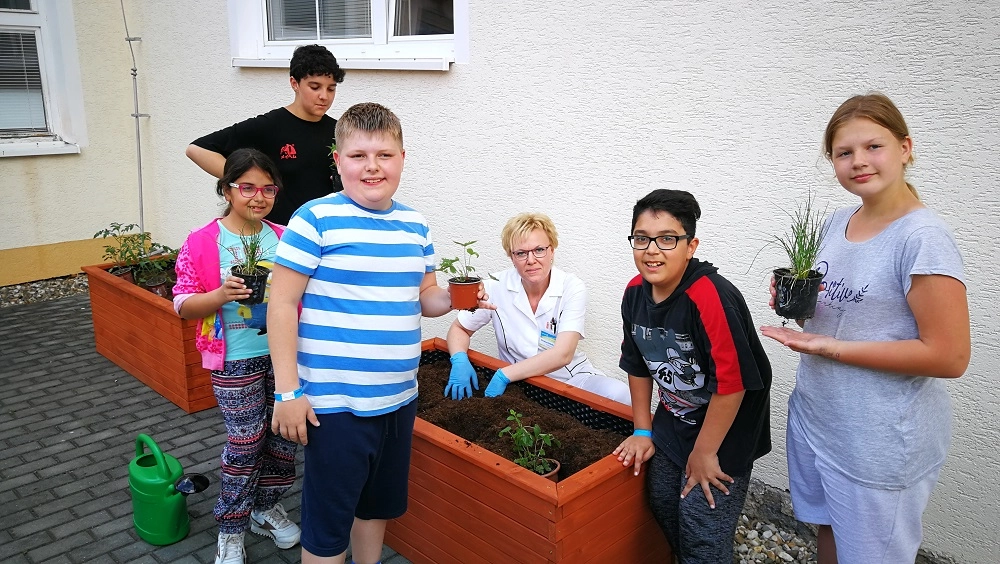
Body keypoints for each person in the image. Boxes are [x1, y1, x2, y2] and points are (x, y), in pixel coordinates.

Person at [266, 102, 490, 564]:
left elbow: (424, 298)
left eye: (384, 155)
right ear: (338, 160)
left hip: (399, 399)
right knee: (328, 529)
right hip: (336, 405)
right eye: (359, 156)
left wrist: (455, 298)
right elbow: (282, 304)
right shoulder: (314, 218)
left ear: (402, 158)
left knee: (375, 509)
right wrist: (287, 392)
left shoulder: (415, 225)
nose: (372, 167)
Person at [760, 93, 971, 564]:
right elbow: (836, 315)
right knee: (830, 533)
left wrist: (830, 346)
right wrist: (796, 307)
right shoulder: (838, 222)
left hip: (878, 441)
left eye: (873, 146)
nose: (858, 161)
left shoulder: (921, 238)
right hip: (820, 419)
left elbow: (950, 356)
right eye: (844, 152)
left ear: (905, 148)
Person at [612, 189, 772, 563]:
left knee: (703, 527)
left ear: (690, 246)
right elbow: (637, 364)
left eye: (667, 239)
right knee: (663, 501)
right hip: (675, 418)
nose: (652, 250)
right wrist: (642, 430)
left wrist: (704, 452)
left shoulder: (710, 296)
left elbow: (732, 384)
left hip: (725, 431)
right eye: (642, 238)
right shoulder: (634, 293)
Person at [172, 148, 301, 564]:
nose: (258, 197)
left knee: (284, 438)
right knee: (246, 443)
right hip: (234, 361)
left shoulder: (285, 237)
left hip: (286, 357)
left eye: (268, 188)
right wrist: (219, 295)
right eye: (247, 187)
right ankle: (231, 527)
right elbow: (183, 303)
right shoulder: (202, 241)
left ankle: (265, 507)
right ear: (226, 190)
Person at [444, 212, 632, 405]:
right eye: (521, 253)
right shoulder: (496, 286)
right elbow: (460, 328)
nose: (531, 260)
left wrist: (504, 375)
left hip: (569, 380)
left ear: (552, 251)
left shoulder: (571, 287)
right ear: (511, 257)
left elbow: (563, 354)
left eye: (539, 250)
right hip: (521, 384)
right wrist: (459, 359)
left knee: (619, 394)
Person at [186, 44, 346, 225]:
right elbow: (197, 149)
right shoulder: (270, 125)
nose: (324, 96)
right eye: (315, 87)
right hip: (278, 231)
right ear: (294, 83)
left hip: (326, 229)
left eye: (331, 89)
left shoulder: (340, 131)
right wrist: (248, 181)